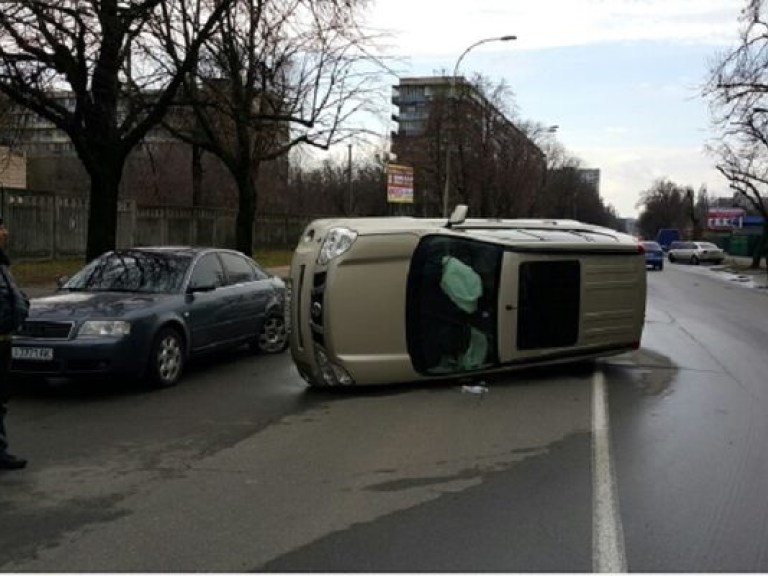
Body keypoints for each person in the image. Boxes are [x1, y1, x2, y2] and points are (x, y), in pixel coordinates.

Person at [0, 214, 28, 470]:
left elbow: (13, 297)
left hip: (4, 341)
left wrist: (23, 306)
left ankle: (0, 451)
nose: (6, 232)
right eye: (2, 227)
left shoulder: (2, 264)